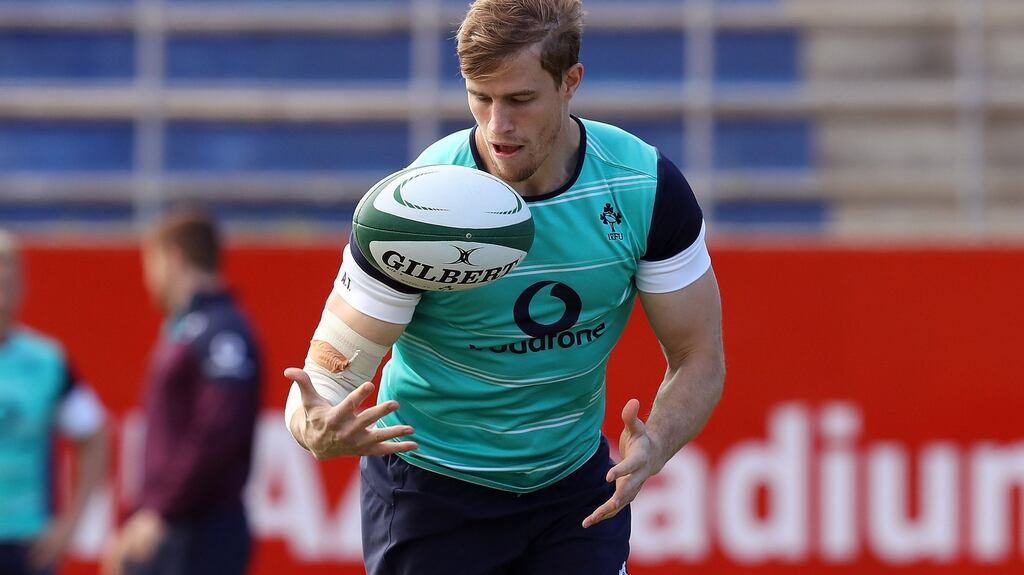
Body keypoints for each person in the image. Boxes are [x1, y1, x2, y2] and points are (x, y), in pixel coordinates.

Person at [285, 0, 725, 573]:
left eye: (519, 100)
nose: (497, 126)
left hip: (574, 493)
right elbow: (328, 373)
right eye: (480, 97)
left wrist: (657, 443)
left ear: (571, 83)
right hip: (433, 490)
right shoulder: (418, 210)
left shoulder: (644, 188)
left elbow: (699, 355)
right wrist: (312, 425)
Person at [103, 210, 261, 575]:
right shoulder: (188, 329)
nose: (148, 279)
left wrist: (160, 511)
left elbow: (219, 432)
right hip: (174, 527)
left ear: (172, 259)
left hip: (200, 531)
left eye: (150, 264)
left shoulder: (221, 332)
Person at [0, 229, 108, 575]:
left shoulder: (47, 362)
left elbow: (95, 436)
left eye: (10, 275)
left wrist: (70, 524)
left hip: (27, 545)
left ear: (23, 286)